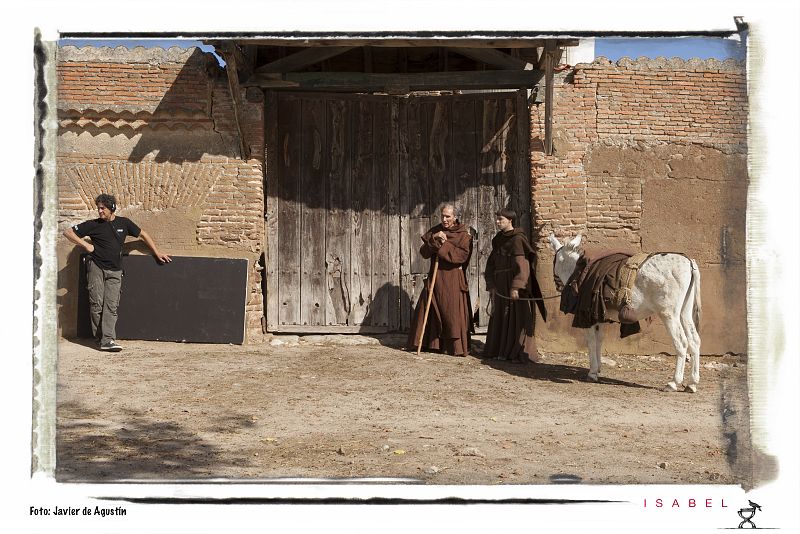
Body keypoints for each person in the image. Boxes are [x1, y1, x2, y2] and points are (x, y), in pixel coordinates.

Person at [63, 193, 172, 352]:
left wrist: (157, 252)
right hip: (96, 267)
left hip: (115, 270)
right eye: (98, 208)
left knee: (111, 306)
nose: (100, 211)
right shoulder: (93, 225)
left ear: (112, 208)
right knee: (96, 304)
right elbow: (68, 232)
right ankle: (100, 338)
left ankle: (108, 340)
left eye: (103, 208)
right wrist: (86, 246)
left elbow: (143, 234)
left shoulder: (124, 223)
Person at [407, 204, 474, 356]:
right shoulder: (436, 230)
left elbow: (461, 257)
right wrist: (434, 239)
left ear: (455, 217)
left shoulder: (463, 234)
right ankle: (432, 344)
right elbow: (424, 253)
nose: (444, 219)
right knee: (431, 308)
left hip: (452, 278)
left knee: (451, 312)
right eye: (442, 216)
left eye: (448, 216)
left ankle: (453, 347)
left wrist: (444, 244)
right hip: (436, 277)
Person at [483, 208, 547, 363]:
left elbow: (522, 265)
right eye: (497, 219)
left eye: (501, 220)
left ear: (510, 220)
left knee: (517, 318)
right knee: (501, 317)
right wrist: (491, 284)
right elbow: (491, 263)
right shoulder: (498, 239)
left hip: (514, 285)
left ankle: (517, 352)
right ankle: (500, 351)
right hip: (500, 284)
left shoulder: (518, 239)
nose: (498, 222)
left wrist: (516, 287)